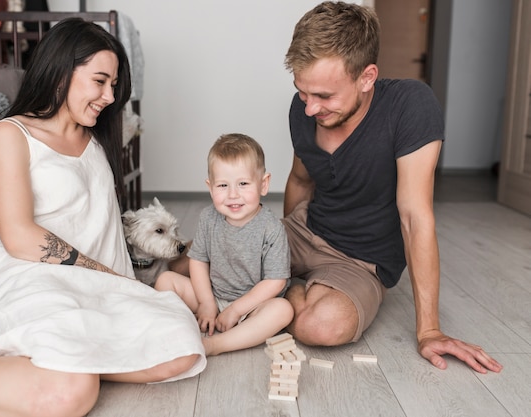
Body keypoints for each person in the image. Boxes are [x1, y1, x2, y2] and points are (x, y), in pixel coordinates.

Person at [0, 18, 206, 417]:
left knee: (181, 350)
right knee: (71, 392)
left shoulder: (98, 139)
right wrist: (101, 273)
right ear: (62, 72)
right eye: (100, 81)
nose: (108, 95)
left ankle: (14, 365)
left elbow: (104, 224)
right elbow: (19, 236)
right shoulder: (11, 134)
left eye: (113, 85)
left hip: (99, 283)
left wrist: (180, 261)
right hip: (29, 271)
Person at [281, 1, 502, 374]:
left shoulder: (410, 106)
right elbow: (301, 180)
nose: (309, 109)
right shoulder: (304, 109)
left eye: (324, 96)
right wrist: (275, 249)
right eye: (303, 92)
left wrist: (429, 329)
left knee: (318, 326)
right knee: (197, 262)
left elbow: (415, 217)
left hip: (360, 260)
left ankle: (276, 292)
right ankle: (285, 284)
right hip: (306, 229)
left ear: (367, 77)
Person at [155, 134, 294, 356]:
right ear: (210, 188)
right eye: (222, 185)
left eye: (243, 184)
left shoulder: (271, 227)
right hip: (214, 293)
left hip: (252, 306)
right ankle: (175, 330)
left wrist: (237, 310)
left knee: (282, 310)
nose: (232, 195)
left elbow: (276, 282)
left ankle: (217, 345)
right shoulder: (208, 218)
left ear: (263, 184)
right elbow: (198, 262)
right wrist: (206, 302)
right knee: (165, 280)